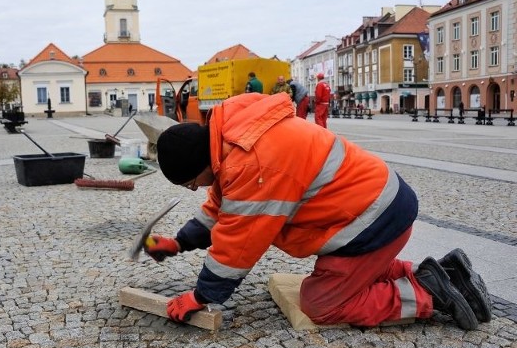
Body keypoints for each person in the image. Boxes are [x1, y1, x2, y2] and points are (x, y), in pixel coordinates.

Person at [145, 92, 491, 331]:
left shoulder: (252, 166)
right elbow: (221, 209)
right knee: (344, 273)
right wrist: (178, 243)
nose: (197, 190)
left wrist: (200, 296)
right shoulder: (234, 137)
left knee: (321, 303)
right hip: (376, 210)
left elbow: (238, 245)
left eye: (191, 183)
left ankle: (430, 293)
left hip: (373, 222)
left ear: (200, 164)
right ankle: (443, 272)